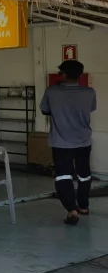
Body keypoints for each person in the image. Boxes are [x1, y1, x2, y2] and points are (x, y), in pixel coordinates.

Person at [41, 59, 97, 225]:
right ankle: (84, 206)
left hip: (61, 143)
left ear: (64, 74)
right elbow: (91, 108)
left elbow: (45, 110)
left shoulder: (52, 91)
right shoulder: (89, 92)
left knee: (63, 176)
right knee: (84, 175)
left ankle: (72, 210)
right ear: (80, 75)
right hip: (83, 141)